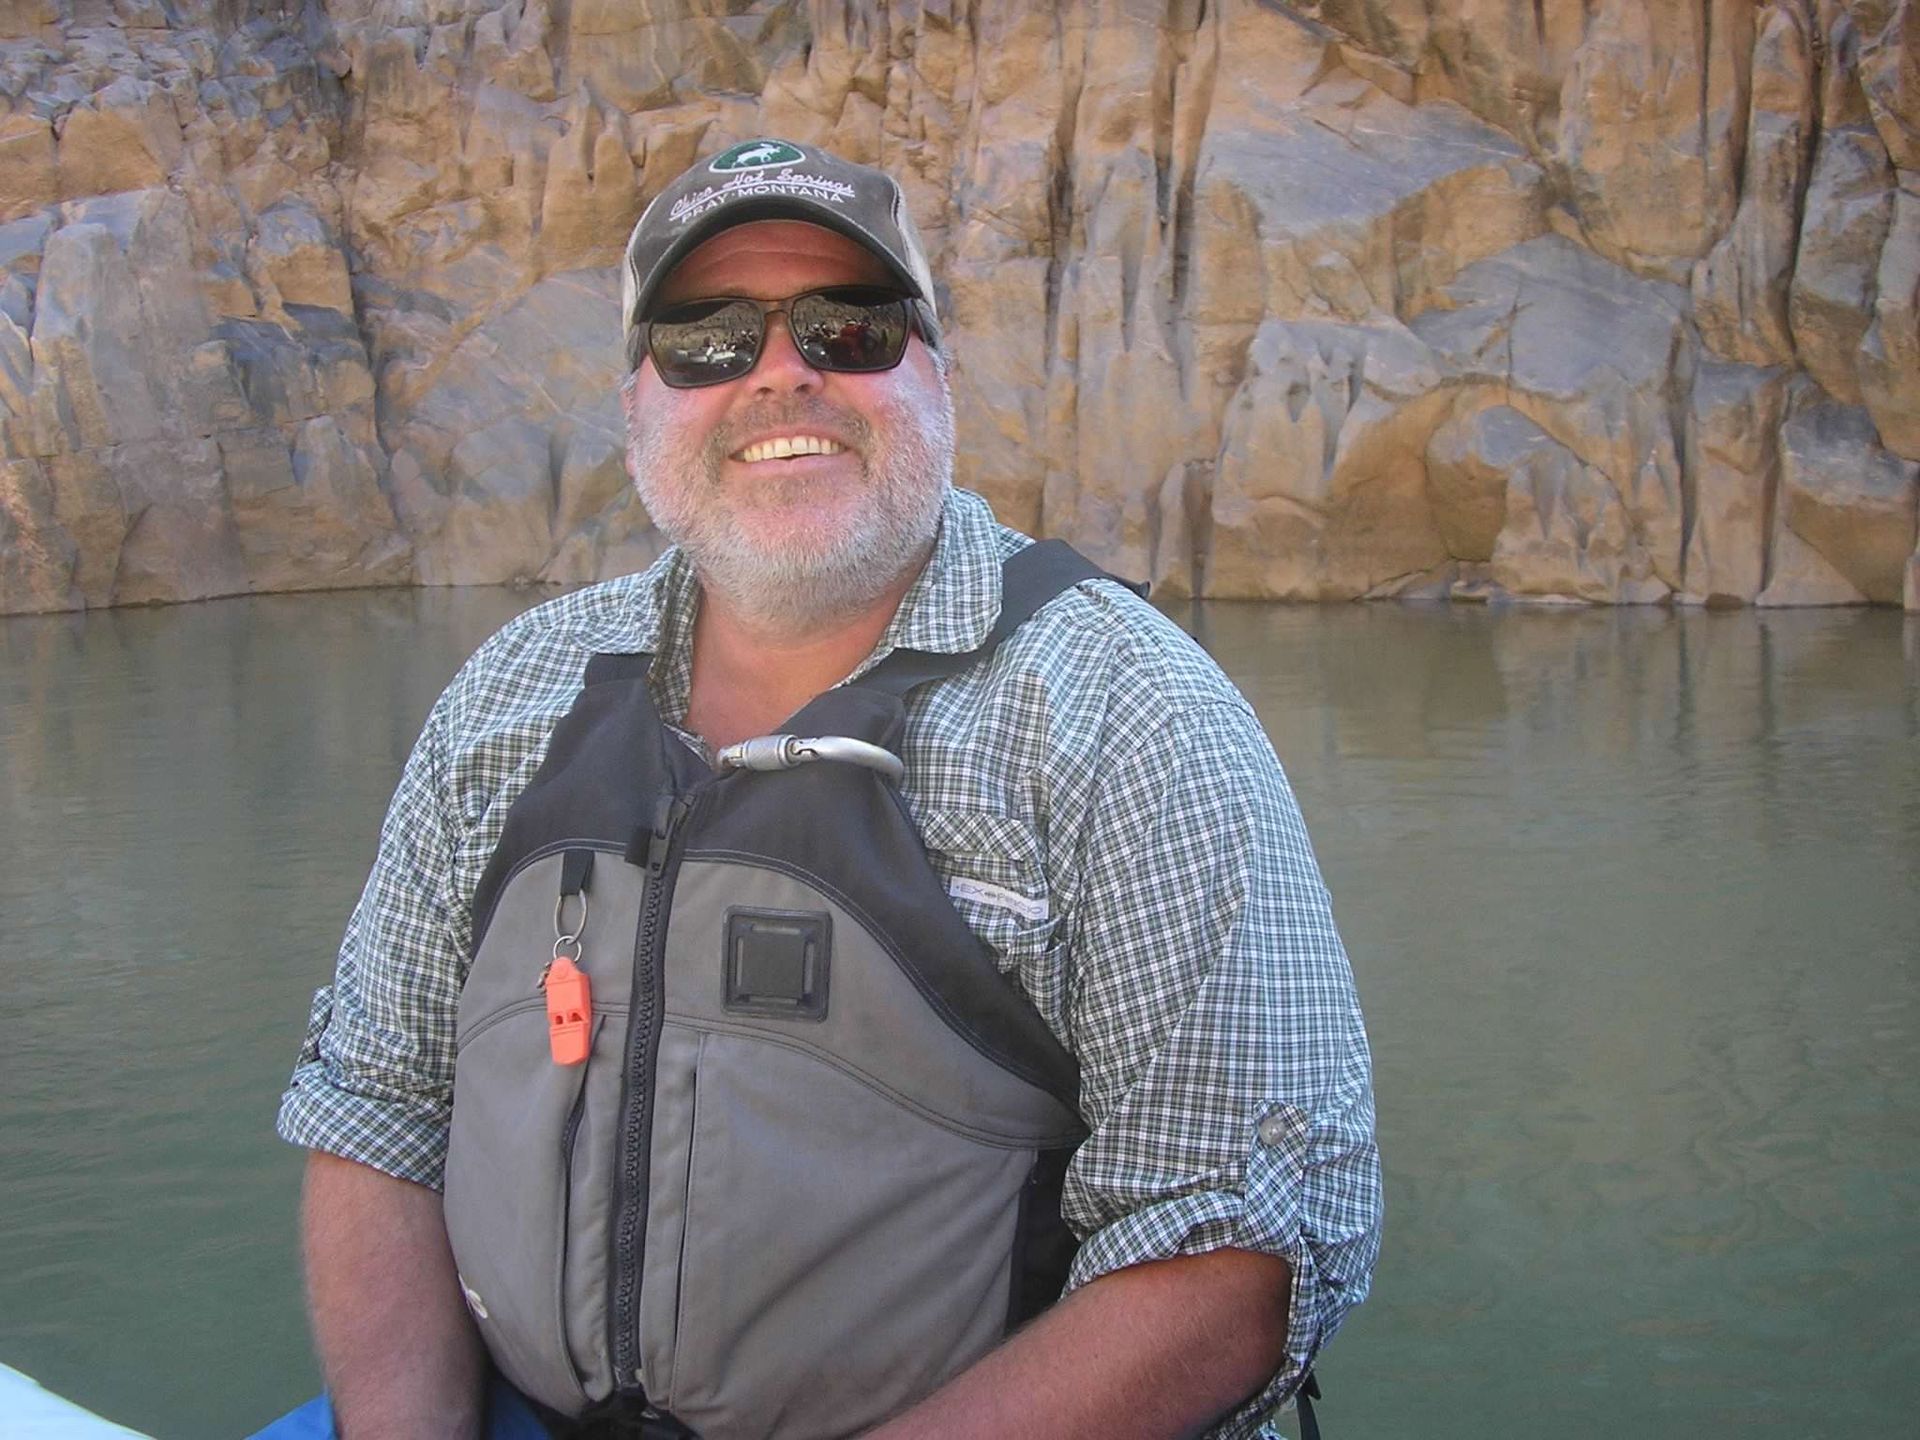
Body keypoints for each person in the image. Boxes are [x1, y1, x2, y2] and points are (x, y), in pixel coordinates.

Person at [270, 138, 1381, 1440]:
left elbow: (1235, 1261)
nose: (781, 371)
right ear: (636, 400)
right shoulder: (511, 698)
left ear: (934, 376)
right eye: (707, 338)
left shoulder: (1132, 716)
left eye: (850, 327)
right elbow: (377, 1110)